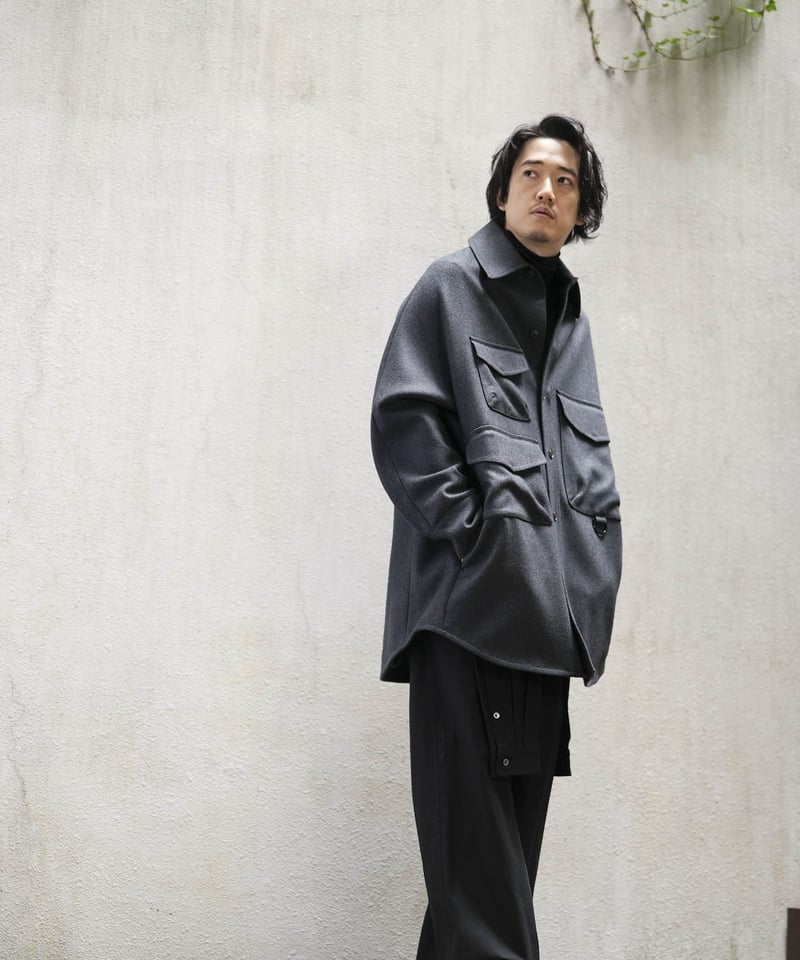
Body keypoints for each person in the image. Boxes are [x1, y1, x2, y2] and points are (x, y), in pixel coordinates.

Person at [370, 115, 622, 960]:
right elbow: (406, 424)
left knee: (481, 895)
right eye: (531, 175)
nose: (547, 190)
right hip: (466, 620)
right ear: (504, 193)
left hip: (544, 634)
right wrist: (479, 540)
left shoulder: (570, 319)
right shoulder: (450, 288)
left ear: (580, 209)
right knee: (486, 906)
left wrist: (588, 585)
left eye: (566, 181)